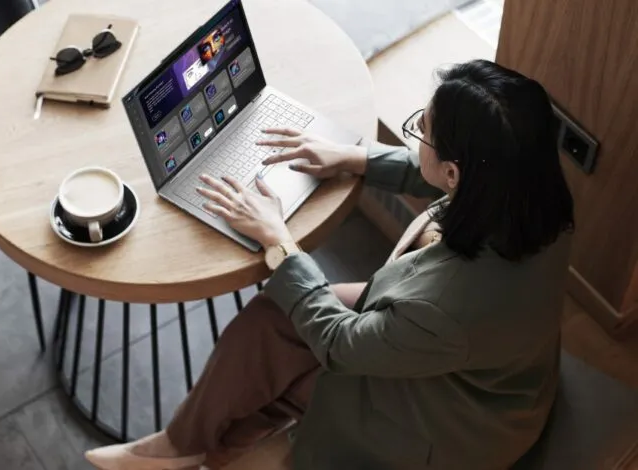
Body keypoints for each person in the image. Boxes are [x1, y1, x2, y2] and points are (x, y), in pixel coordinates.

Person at [85, 59, 575, 469]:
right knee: (272, 317)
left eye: (422, 132)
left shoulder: (447, 304)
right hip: (468, 356)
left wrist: (280, 241)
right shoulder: (530, 193)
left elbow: (341, 346)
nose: (417, 139)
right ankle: (182, 443)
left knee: (291, 376)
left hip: (453, 428)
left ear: (453, 169)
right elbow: (457, 177)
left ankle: (208, 453)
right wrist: (351, 158)